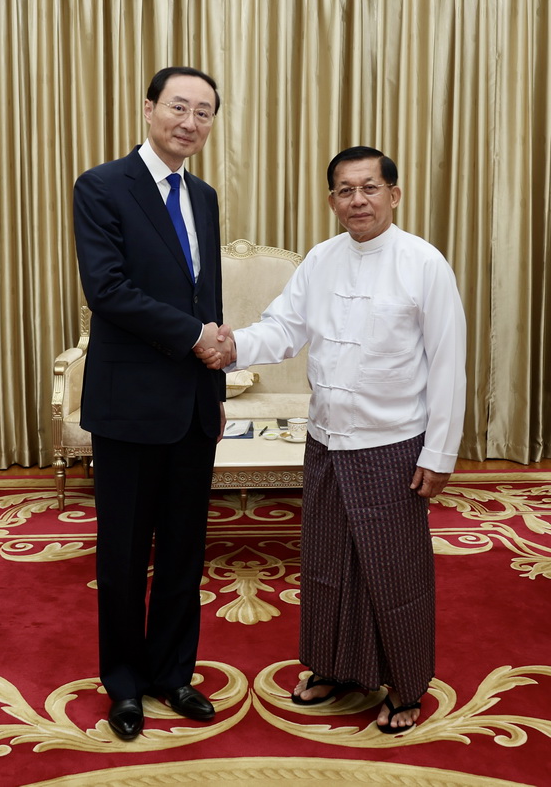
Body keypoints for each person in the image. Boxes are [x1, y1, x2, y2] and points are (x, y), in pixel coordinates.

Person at [197, 145, 466, 733]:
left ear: (394, 195)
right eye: (346, 190)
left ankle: (405, 685)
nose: (357, 200)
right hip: (324, 440)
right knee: (326, 565)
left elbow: (448, 365)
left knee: (393, 572)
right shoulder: (320, 260)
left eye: (369, 188)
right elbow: (284, 329)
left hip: (393, 444)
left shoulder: (424, 263)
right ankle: (334, 668)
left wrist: (440, 452)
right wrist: (233, 346)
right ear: (331, 201)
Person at [73, 66, 235, 741]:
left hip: (192, 404)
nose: (189, 122)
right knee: (123, 553)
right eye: (178, 107)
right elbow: (107, 290)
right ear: (148, 109)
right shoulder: (102, 186)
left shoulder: (204, 196)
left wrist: (215, 386)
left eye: (203, 112)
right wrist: (195, 336)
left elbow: (208, 297)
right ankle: (124, 683)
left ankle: (173, 673)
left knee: (183, 551)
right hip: (130, 404)